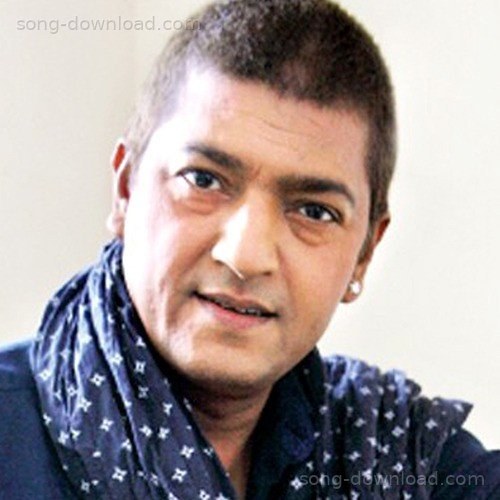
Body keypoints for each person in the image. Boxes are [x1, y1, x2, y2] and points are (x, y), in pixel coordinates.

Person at [1, 0, 499, 498]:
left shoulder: (400, 455)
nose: (245, 256)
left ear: (365, 253)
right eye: (203, 180)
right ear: (126, 190)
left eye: (314, 211)